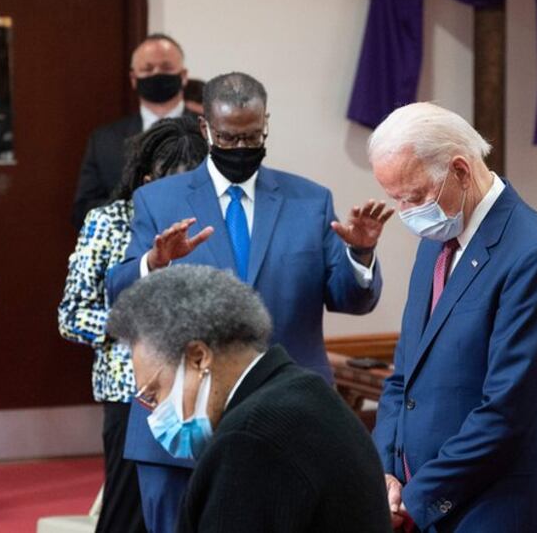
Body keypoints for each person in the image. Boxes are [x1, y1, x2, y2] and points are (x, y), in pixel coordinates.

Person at [105, 71, 392, 533]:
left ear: (265, 126)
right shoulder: (158, 199)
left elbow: (350, 299)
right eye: (228, 137)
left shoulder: (310, 200)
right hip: (184, 421)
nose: (240, 148)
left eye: (251, 137)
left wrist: (359, 254)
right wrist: (154, 264)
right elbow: (118, 298)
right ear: (206, 130)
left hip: (288, 421)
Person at [368, 102, 537, 532]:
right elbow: (402, 377)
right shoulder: (437, 239)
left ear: (461, 171)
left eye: (413, 197)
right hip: (423, 502)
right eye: (396, 199)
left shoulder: (535, 255)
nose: (407, 213)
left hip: (499, 508)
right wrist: (384, 474)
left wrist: (416, 499)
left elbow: (506, 412)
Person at [106, 264, 390, 532]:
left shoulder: (248, 440)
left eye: (154, 393)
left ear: (198, 357)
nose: (154, 413)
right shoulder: (302, 392)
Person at [59, 118, 207, 533]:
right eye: (171, 183)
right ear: (146, 180)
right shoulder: (108, 222)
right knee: (129, 516)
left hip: (205, 390)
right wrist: (139, 324)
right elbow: (71, 316)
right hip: (133, 394)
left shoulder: (211, 222)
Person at [71, 34, 197, 229]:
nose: (156, 74)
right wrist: (135, 206)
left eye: (166, 68)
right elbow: (83, 211)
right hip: (126, 251)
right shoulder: (104, 140)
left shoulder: (209, 133)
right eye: (147, 69)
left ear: (183, 75)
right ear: (133, 78)